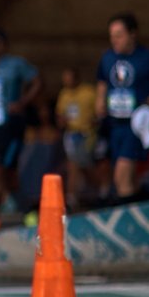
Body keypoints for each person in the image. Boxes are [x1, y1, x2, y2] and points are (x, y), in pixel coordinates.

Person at [95, 12, 149, 204]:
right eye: (111, 36)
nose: (114, 40)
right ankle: (147, 203)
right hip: (113, 123)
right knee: (129, 179)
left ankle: (128, 225)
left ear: (132, 34)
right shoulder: (107, 57)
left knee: (121, 176)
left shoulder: (148, 57)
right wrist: (99, 101)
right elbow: (102, 81)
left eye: (119, 35)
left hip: (136, 123)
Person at [0, 28, 41, 232]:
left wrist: (23, 102)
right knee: (8, 177)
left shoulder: (15, 64)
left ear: (2, 46)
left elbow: (38, 81)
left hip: (10, 126)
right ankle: (30, 212)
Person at [55, 67, 101, 210]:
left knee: (85, 165)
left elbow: (99, 110)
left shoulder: (88, 93)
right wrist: (61, 120)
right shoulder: (64, 94)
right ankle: (71, 197)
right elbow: (59, 113)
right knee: (73, 164)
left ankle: (98, 190)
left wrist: (95, 121)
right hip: (71, 134)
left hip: (86, 134)